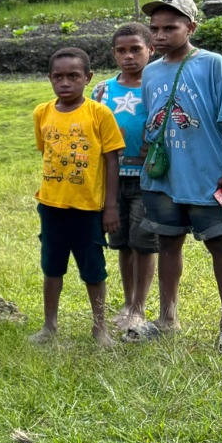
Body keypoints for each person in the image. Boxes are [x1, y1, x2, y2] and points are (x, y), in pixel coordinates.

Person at [138, 0, 222, 351]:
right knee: (168, 242)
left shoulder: (213, 64)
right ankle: (167, 317)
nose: (160, 35)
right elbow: (149, 119)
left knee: (219, 241)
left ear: (191, 27)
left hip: (206, 174)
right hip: (164, 177)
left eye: (170, 27)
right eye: (154, 29)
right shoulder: (151, 71)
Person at [29, 47, 123, 347]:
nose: (65, 83)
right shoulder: (42, 112)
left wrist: (110, 207)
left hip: (88, 209)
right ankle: (49, 326)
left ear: (88, 77)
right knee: (51, 267)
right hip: (52, 206)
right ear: (49, 78)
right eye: (58, 77)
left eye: (73, 76)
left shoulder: (99, 113)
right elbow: (47, 151)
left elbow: (111, 160)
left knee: (93, 270)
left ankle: (100, 328)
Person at [92, 24, 159, 334]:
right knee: (122, 243)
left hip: (149, 178)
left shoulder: (158, 86)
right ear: (113, 54)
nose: (128, 56)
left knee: (143, 241)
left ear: (151, 50)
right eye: (121, 51)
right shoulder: (103, 90)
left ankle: (139, 307)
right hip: (112, 178)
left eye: (136, 49)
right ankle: (128, 300)